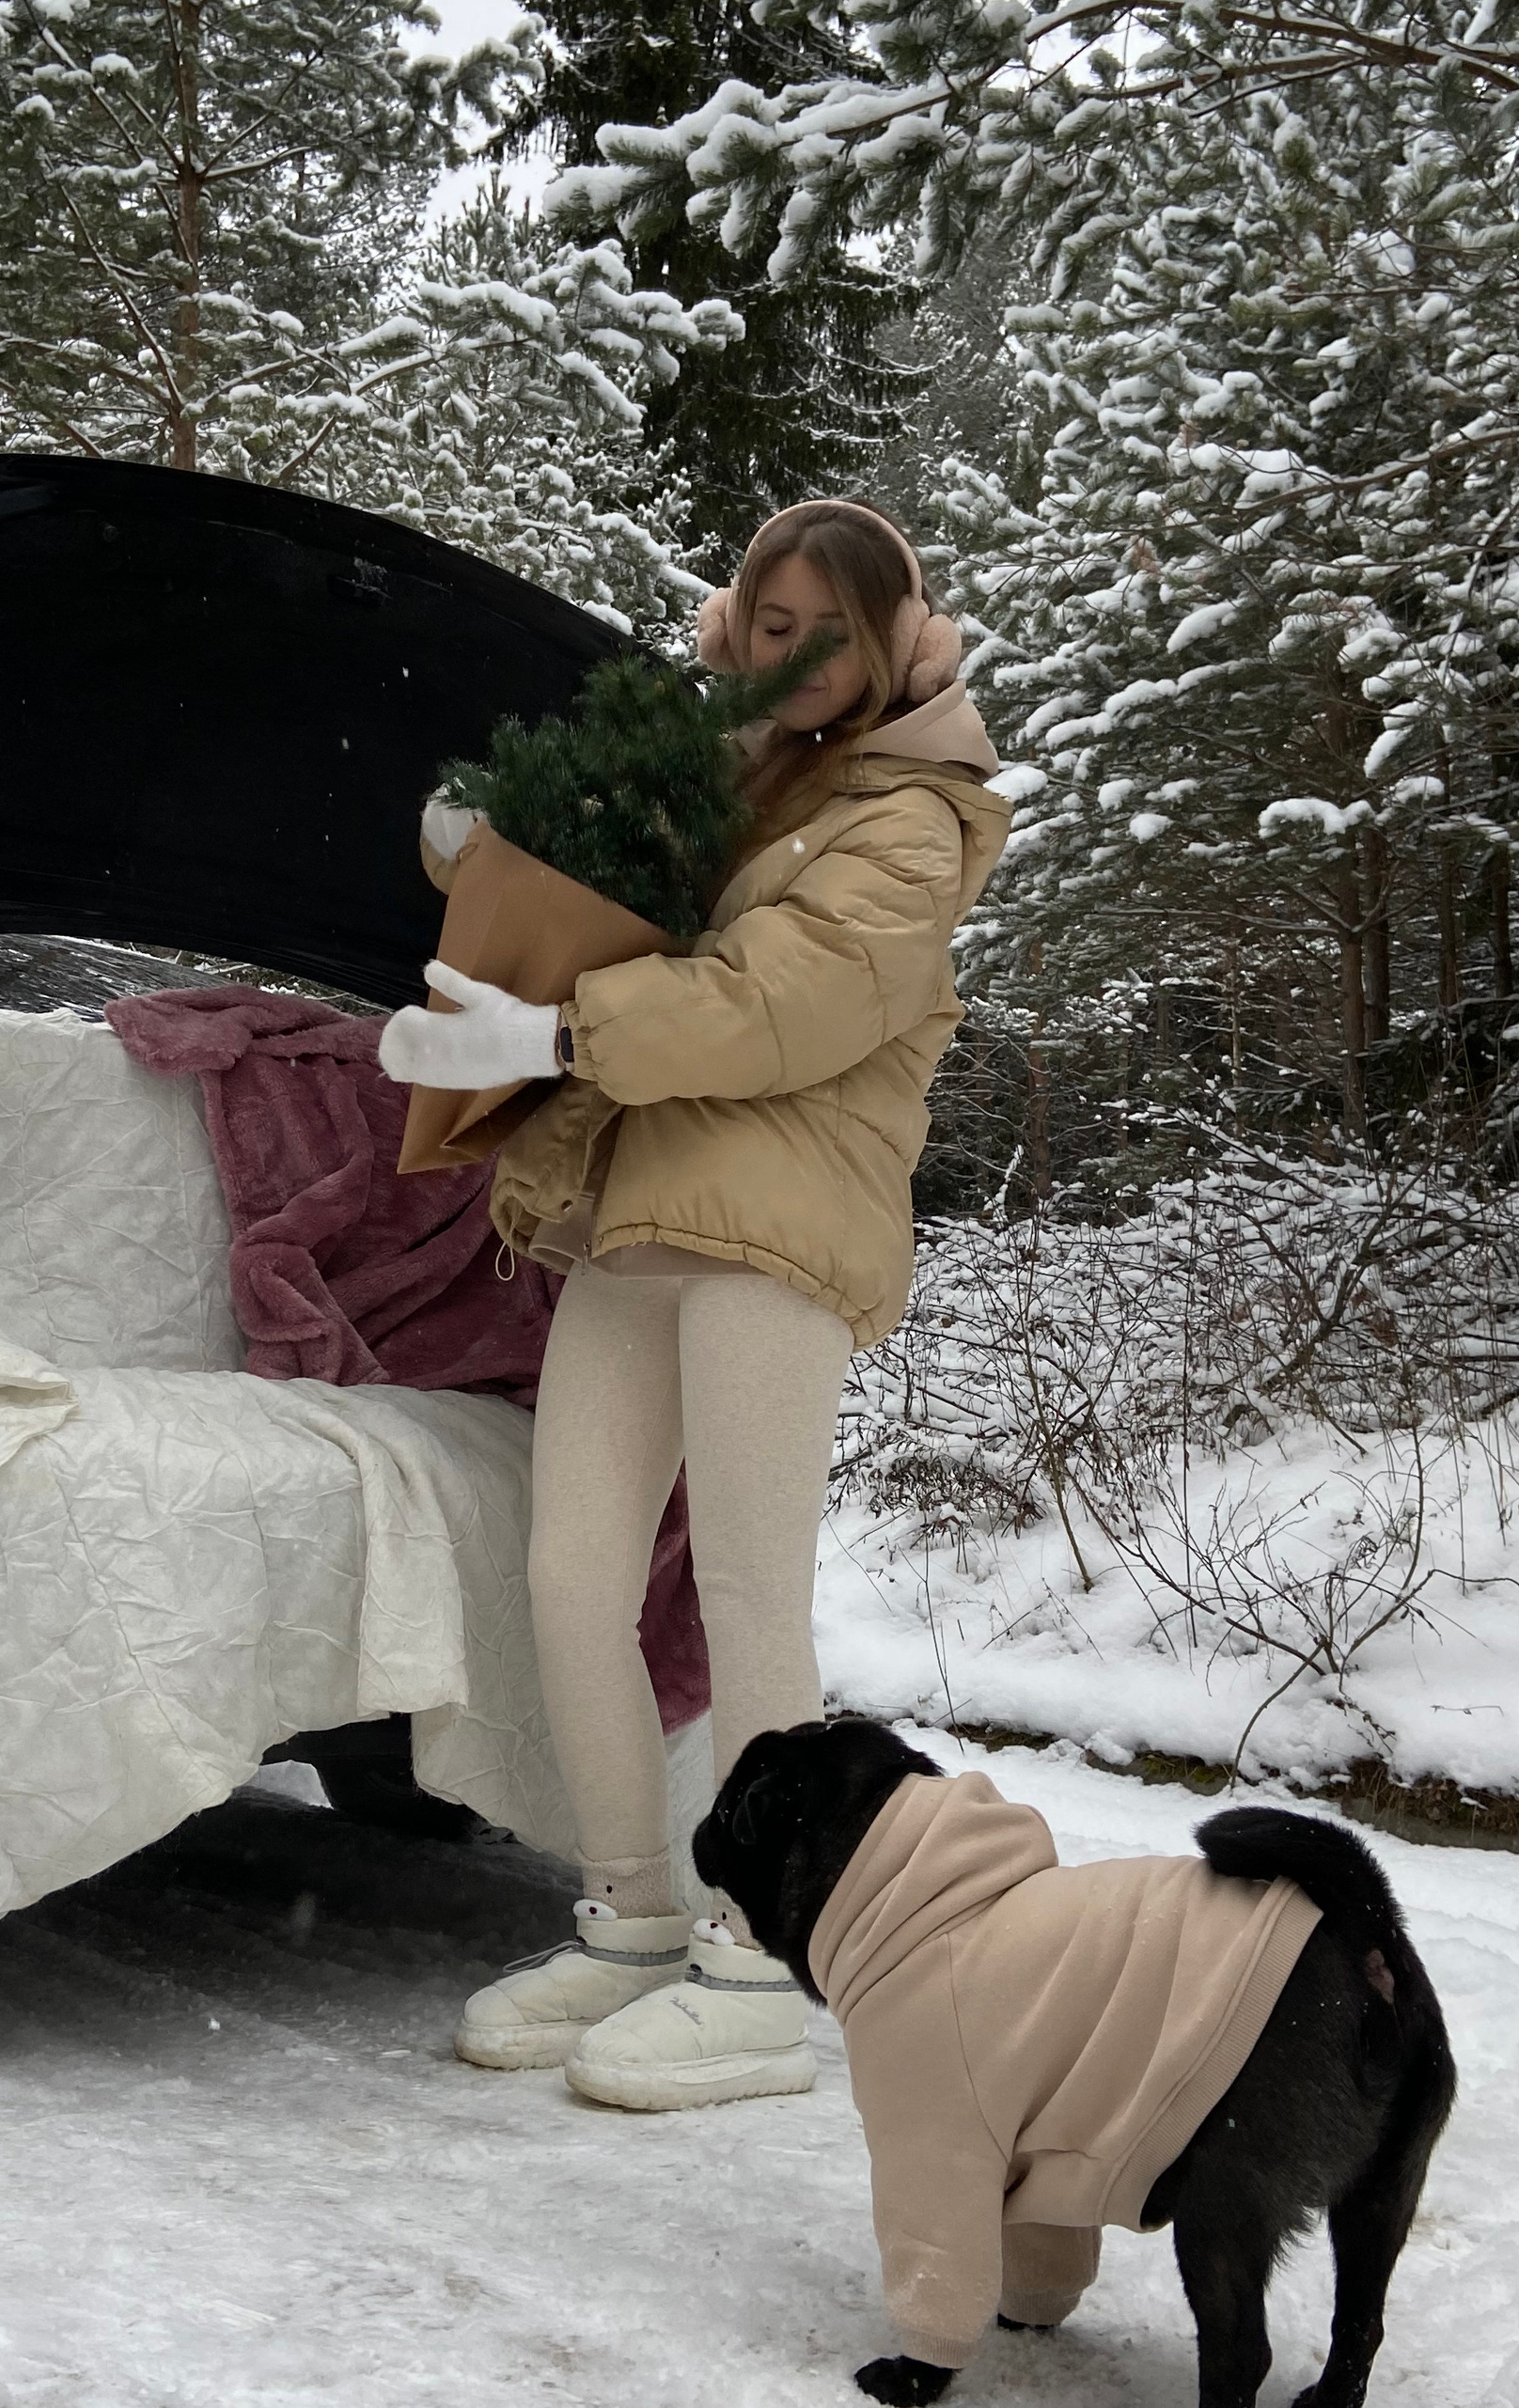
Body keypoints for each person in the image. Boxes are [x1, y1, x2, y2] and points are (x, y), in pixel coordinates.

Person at [378, 499, 1013, 2111]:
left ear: (892, 639)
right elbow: (597, 864)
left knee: (747, 1591)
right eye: (770, 620)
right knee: (572, 1570)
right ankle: (631, 1914)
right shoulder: (724, 766)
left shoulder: (916, 817)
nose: (797, 657)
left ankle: (754, 1956)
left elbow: (774, 1003)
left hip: (784, 1216)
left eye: (833, 630)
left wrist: (549, 1040)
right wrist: (493, 841)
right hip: (642, 1198)